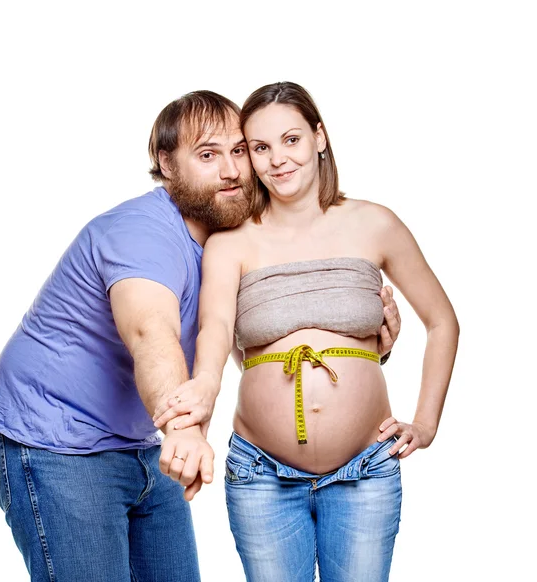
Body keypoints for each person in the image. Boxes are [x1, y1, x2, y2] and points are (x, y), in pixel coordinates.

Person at [0, 89, 401, 582]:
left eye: (239, 151)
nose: (230, 171)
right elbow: (150, 331)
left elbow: (249, 348)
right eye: (207, 155)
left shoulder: (231, 243)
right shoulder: (142, 232)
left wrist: (358, 356)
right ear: (166, 162)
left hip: (140, 441)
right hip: (56, 444)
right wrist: (182, 427)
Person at [153, 82, 459, 582]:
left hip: (366, 470)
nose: (277, 160)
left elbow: (442, 321)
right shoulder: (231, 244)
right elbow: (217, 329)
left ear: (319, 137)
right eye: (260, 148)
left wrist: (425, 424)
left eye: (290, 140)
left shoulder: (375, 224)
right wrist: (206, 385)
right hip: (261, 476)